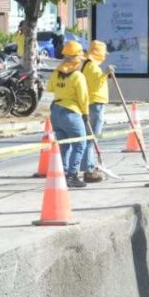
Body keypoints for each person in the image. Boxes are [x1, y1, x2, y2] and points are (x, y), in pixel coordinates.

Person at [49, 40, 90, 188]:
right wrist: (85, 114)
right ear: (76, 60)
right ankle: (72, 175)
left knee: (63, 145)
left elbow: (50, 88)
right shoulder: (77, 76)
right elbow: (83, 97)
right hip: (71, 113)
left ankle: (62, 173)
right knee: (80, 143)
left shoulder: (56, 73)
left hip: (55, 111)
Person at [80, 40, 109, 183]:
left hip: (93, 102)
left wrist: (105, 75)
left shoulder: (89, 65)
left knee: (90, 137)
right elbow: (96, 83)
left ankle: (89, 167)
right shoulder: (91, 66)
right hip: (95, 103)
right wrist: (106, 74)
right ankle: (88, 170)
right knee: (91, 138)